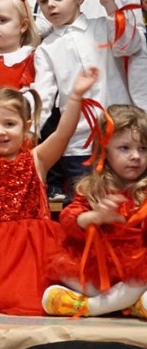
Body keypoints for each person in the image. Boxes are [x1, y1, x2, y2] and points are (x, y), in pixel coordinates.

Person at [0, 66, 97, 315]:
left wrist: (75, 97)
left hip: (37, 251)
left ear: (26, 126)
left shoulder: (37, 159)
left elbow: (63, 134)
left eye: (9, 124)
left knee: (52, 289)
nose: (0, 131)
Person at [31, 0, 141, 200]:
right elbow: (44, 95)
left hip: (121, 135)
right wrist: (30, 130)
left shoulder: (102, 26)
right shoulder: (45, 49)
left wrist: (111, 8)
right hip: (79, 144)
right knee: (87, 202)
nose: (51, 5)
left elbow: (129, 44)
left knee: (128, 201)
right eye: (43, 0)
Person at [43, 104, 147, 318]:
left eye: (143, 149)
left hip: (137, 270)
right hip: (101, 269)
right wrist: (94, 217)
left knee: (142, 274)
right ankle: (129, 305)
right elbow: (68, 219)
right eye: (125, 148)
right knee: (64, 271)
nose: (135, 156)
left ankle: (89, 307)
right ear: (104, 151)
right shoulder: (92, 188)